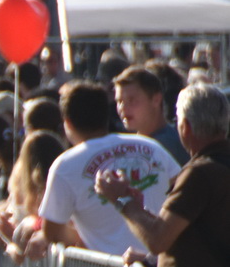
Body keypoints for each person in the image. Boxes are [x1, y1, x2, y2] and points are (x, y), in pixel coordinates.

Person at [97, 83, 230, 267]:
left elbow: (158, 238)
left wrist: (121, 200)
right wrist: (152, 261)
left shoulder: (200, 173)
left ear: (185, 126)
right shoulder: (216, 168)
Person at [38, 81, 181, 256]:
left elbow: (52, 232)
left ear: (67, 123)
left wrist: (84, 238)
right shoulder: (151, 146)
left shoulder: (65, 166)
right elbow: (182, 189)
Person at [113, 67, 189, 165]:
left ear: (156, 100)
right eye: (119, 101)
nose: (123, 108)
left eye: (132, 100)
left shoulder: (168, 145)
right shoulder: (134, 144)